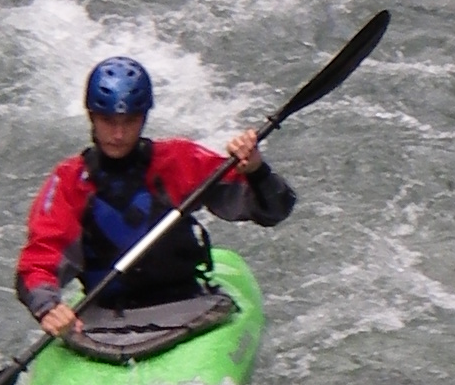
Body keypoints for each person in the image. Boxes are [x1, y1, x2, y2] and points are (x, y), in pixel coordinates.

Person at [18, 55, 296, 345]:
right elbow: (38, 260)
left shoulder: (179, 160)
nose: (118, 134)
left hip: (187, 307)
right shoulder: (69, 181)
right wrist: (48, 307)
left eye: (130, 121)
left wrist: (256, 171)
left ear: (144, 117)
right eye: (108, 121)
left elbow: (274, 211)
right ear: (91, 117)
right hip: (105, 319)